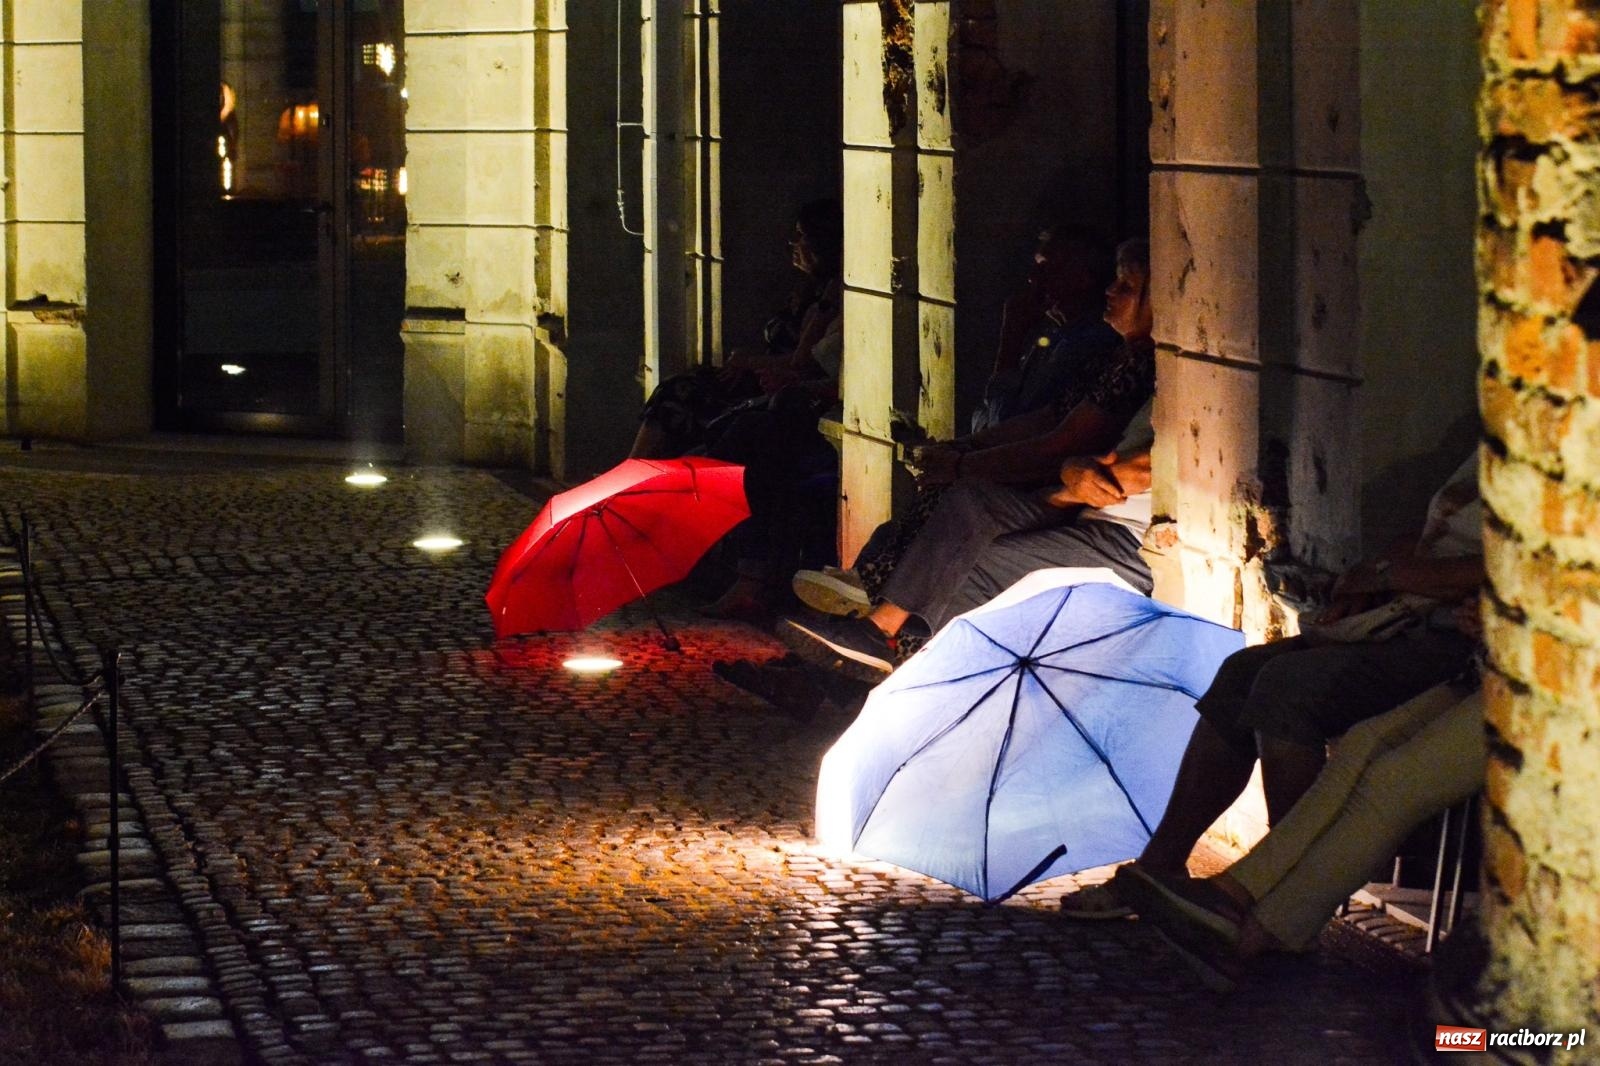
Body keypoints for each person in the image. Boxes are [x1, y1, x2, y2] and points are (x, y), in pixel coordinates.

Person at [1059, 450, 1486, 919]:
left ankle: (1274, 889)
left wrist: (1393, 575)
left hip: (1460, 640)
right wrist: (1373, 582)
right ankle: (1163, 863)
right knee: (1242, 672)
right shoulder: (1491, 452)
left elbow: (1492, 570)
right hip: (1405, 615)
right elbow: (1426, 539)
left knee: (1289, 687)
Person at [782, 240, 1157, 677]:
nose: (1110, 292)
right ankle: (863, 632)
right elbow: (1032, 418)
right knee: (957, 508)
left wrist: (975, 460)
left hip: (1081, 507)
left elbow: (1064, 443)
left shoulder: (1135, 364)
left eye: (1126, 286)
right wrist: (967, 452)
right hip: (1064, 493)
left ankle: (877, 633)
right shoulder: (1104, 352)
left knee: (959, 556)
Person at [1114, 676, 1486, 991]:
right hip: (1483, 672)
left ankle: (1250, 938)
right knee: (1362, 742)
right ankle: (1232, 892)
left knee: (1392, 783)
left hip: (1533, 694)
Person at [630, 198, 844, 459]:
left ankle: (636, 476)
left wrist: (749, 362)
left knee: (680, 400)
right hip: (761, 378)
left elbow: (803, 360)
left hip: (777, 389)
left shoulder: (831, 297)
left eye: (801, 236)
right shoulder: (808, 289)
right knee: (676, 389)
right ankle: (635, 471)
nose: (793, 244)